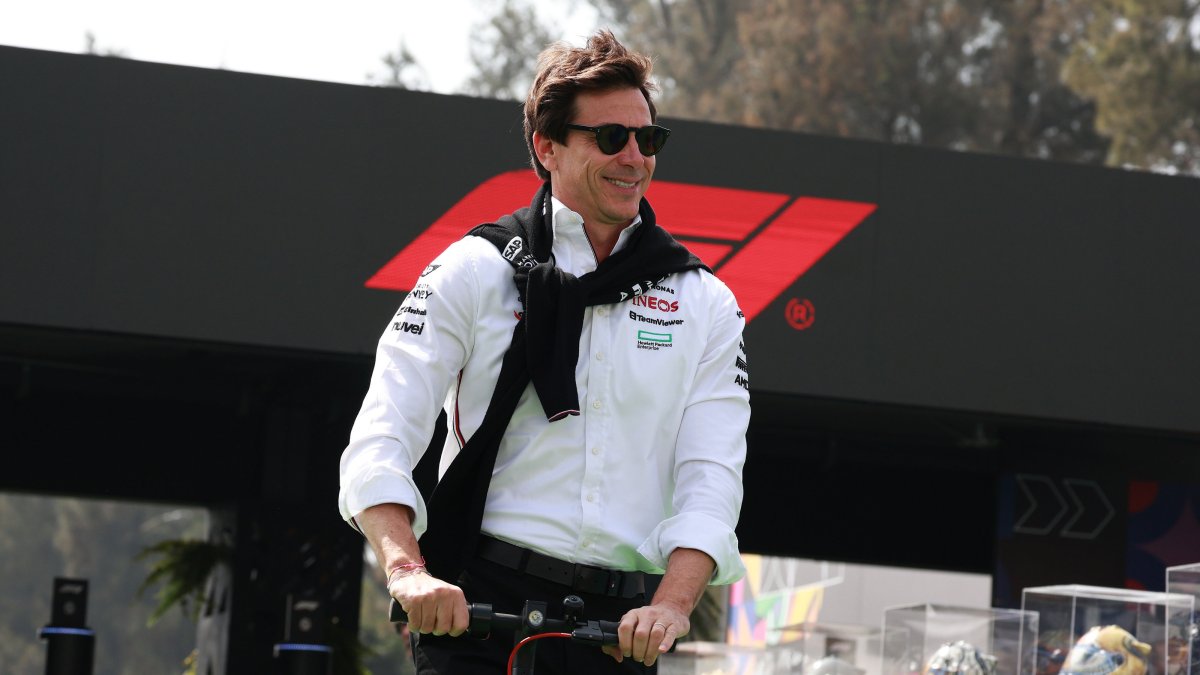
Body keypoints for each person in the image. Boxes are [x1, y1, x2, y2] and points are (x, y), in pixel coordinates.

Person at [338, 30, 750, 674]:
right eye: (611, 138)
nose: (634, 157)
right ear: (547, 147)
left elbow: (712, 475)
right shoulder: (471, 270)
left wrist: (671, 606)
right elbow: (384, 430)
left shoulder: (706, 301)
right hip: (472, 610)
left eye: (650, 139)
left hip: (616, 632)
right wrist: (408, 572)